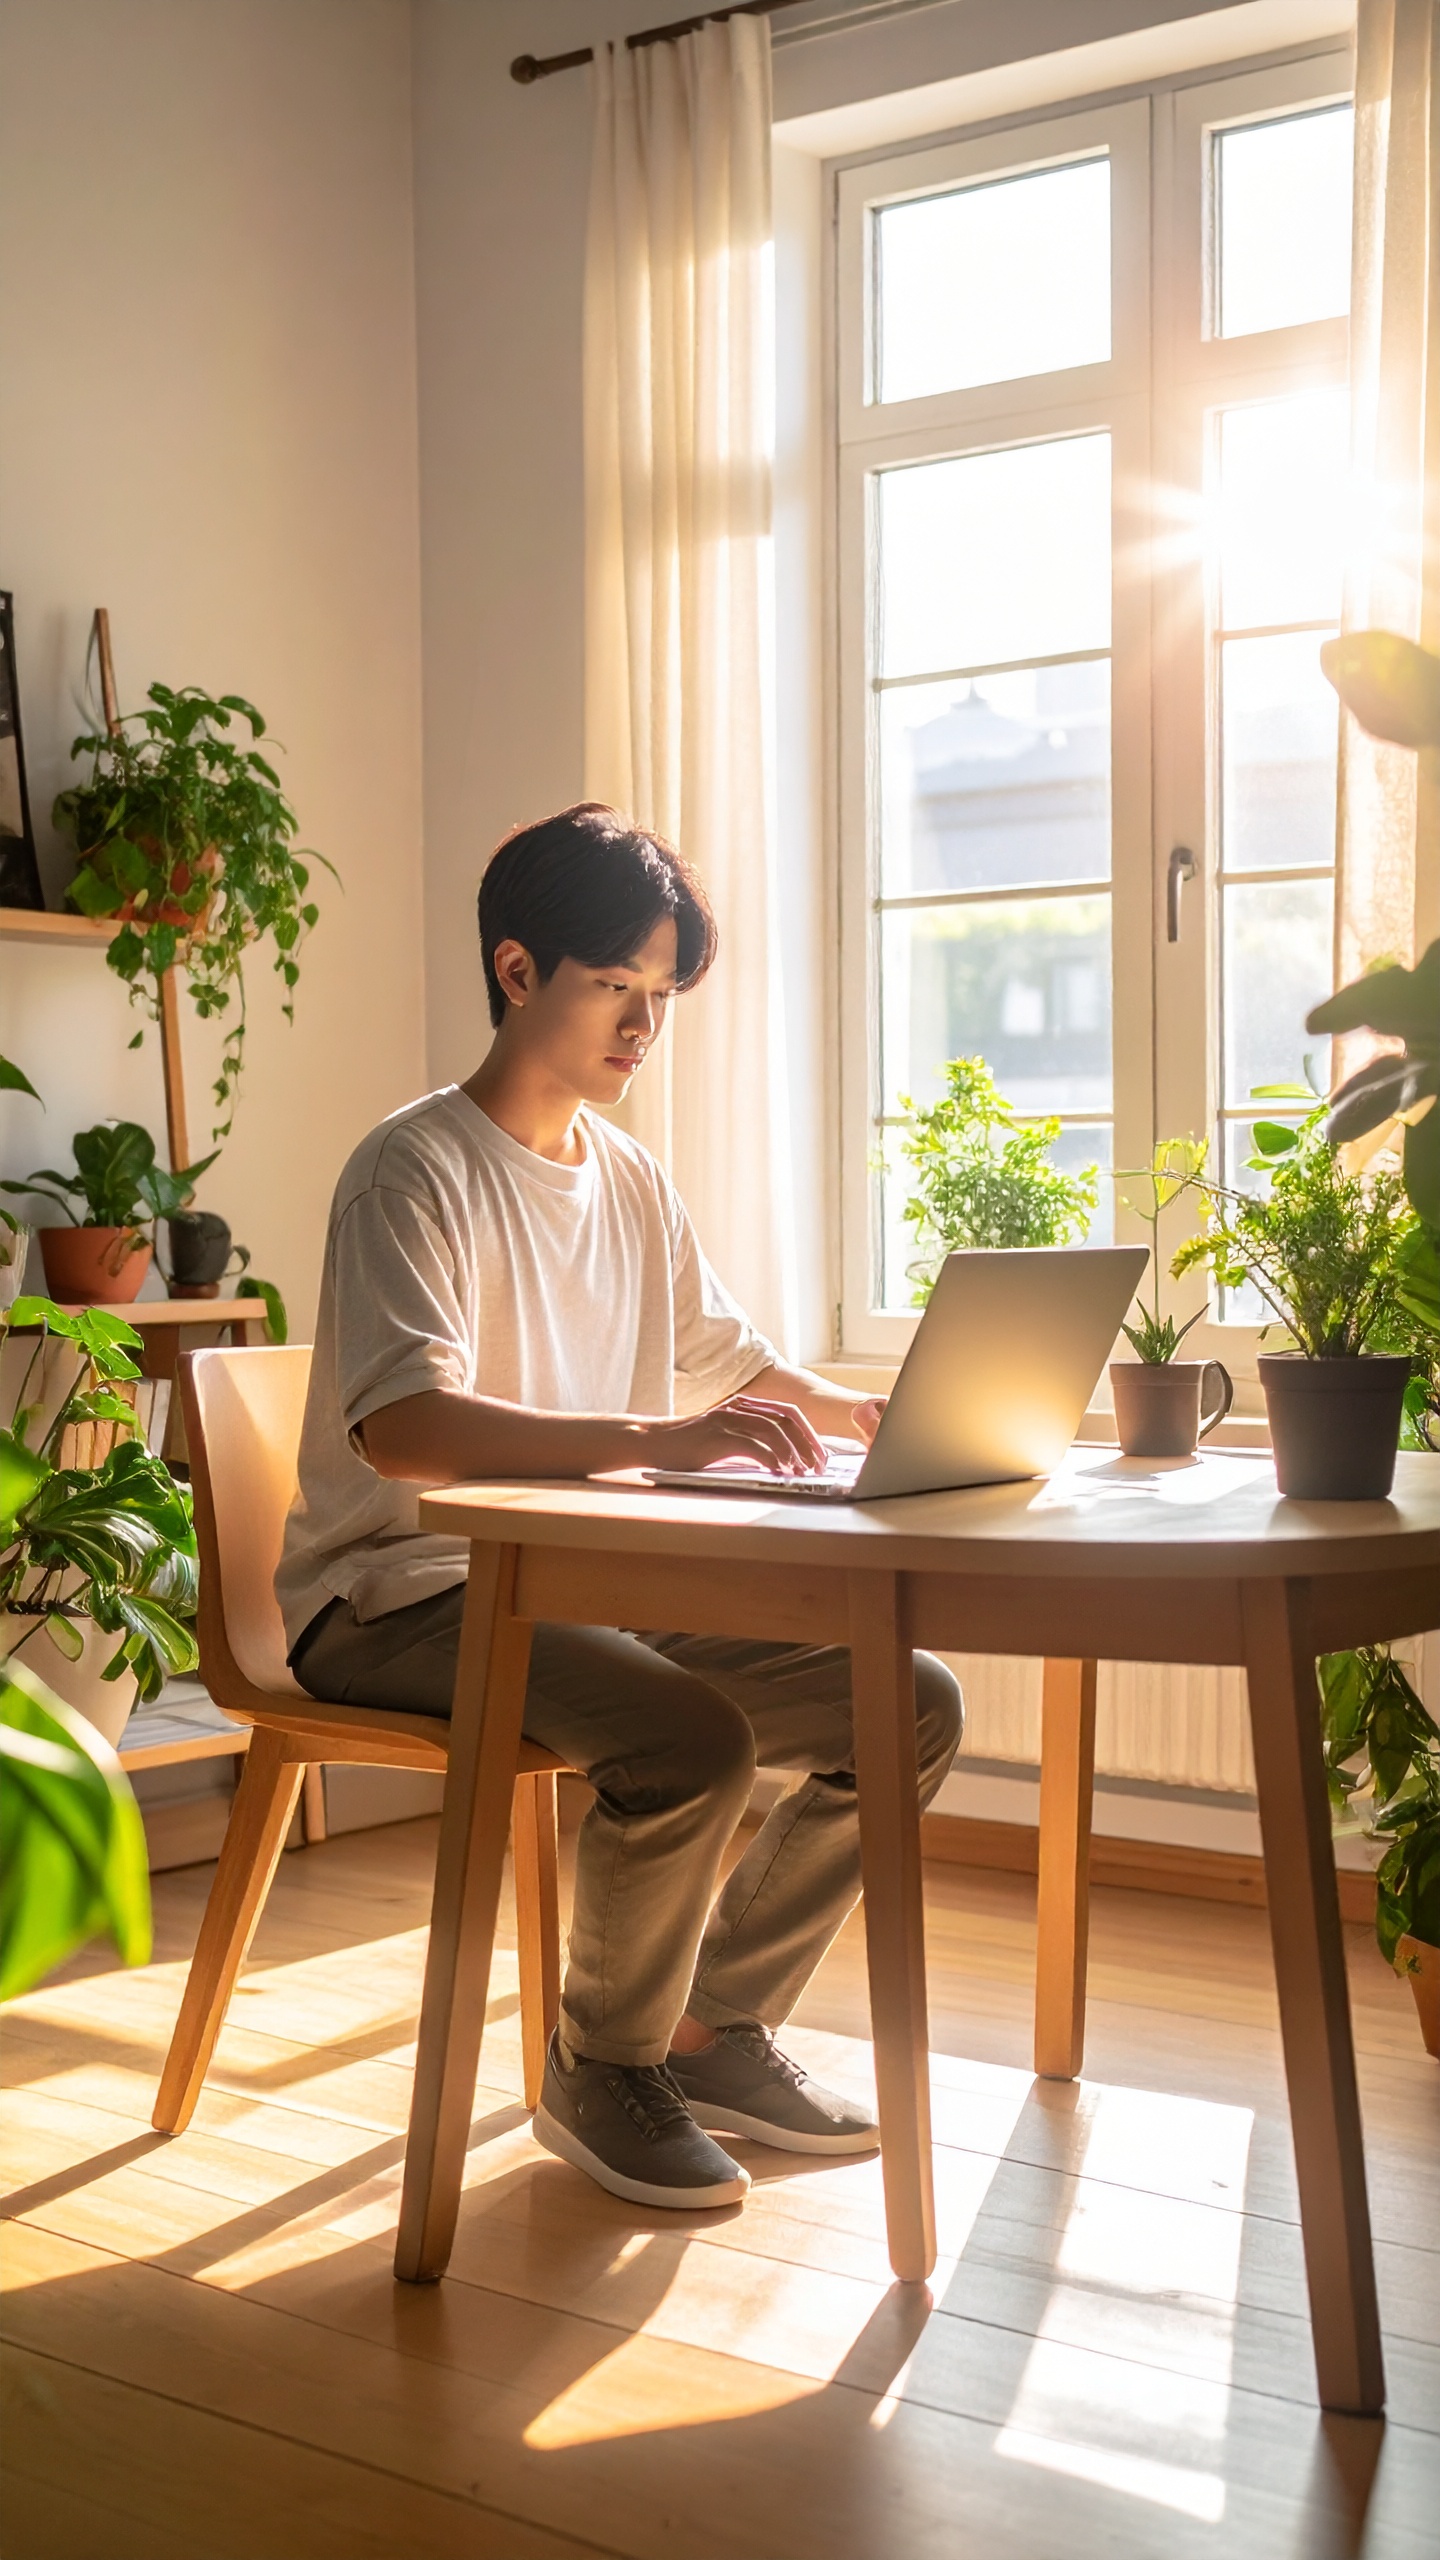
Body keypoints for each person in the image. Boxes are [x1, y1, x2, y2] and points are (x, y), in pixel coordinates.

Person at [277, 803, 962, 2212]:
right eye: (618, 991)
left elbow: (727, 1355)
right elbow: (405, 1429)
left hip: (575, 1589)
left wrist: (857, 1409)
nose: (645, 1028)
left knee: (909, 1701)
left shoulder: (631, 1176)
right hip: (394, 1600)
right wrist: (661, 1435)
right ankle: (601, 2067)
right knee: (688, 1740)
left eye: (662, 1001)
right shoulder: (412, 1170)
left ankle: (708, 2033)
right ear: (518, 972)